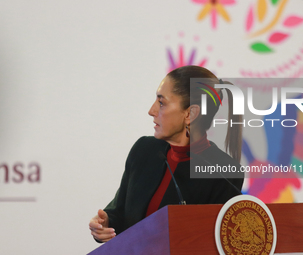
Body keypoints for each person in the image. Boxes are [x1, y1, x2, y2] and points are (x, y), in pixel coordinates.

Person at [89, 65, 244, 243]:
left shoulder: (224, 172)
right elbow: (119, 211)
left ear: (190, 113)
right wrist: (105, 223)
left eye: (161, 103)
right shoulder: (144, 149)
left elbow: (212, 243)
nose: (151, 110)